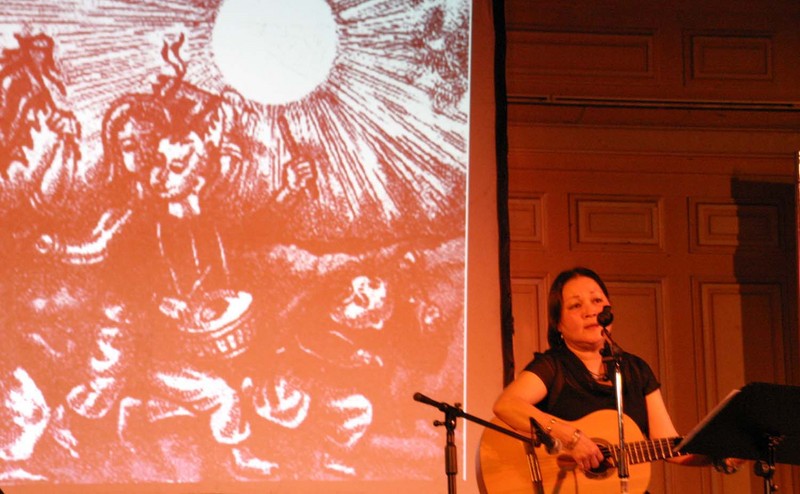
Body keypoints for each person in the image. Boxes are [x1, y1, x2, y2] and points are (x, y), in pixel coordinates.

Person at [492, 266, 740, 476]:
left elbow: (671, 448)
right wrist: (571, 437)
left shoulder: (635, 370)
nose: (590, 311)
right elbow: (507, 405)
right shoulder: (553, 367)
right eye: (576, 305)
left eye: (597, 301)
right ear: (558, 324)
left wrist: (720, 455)